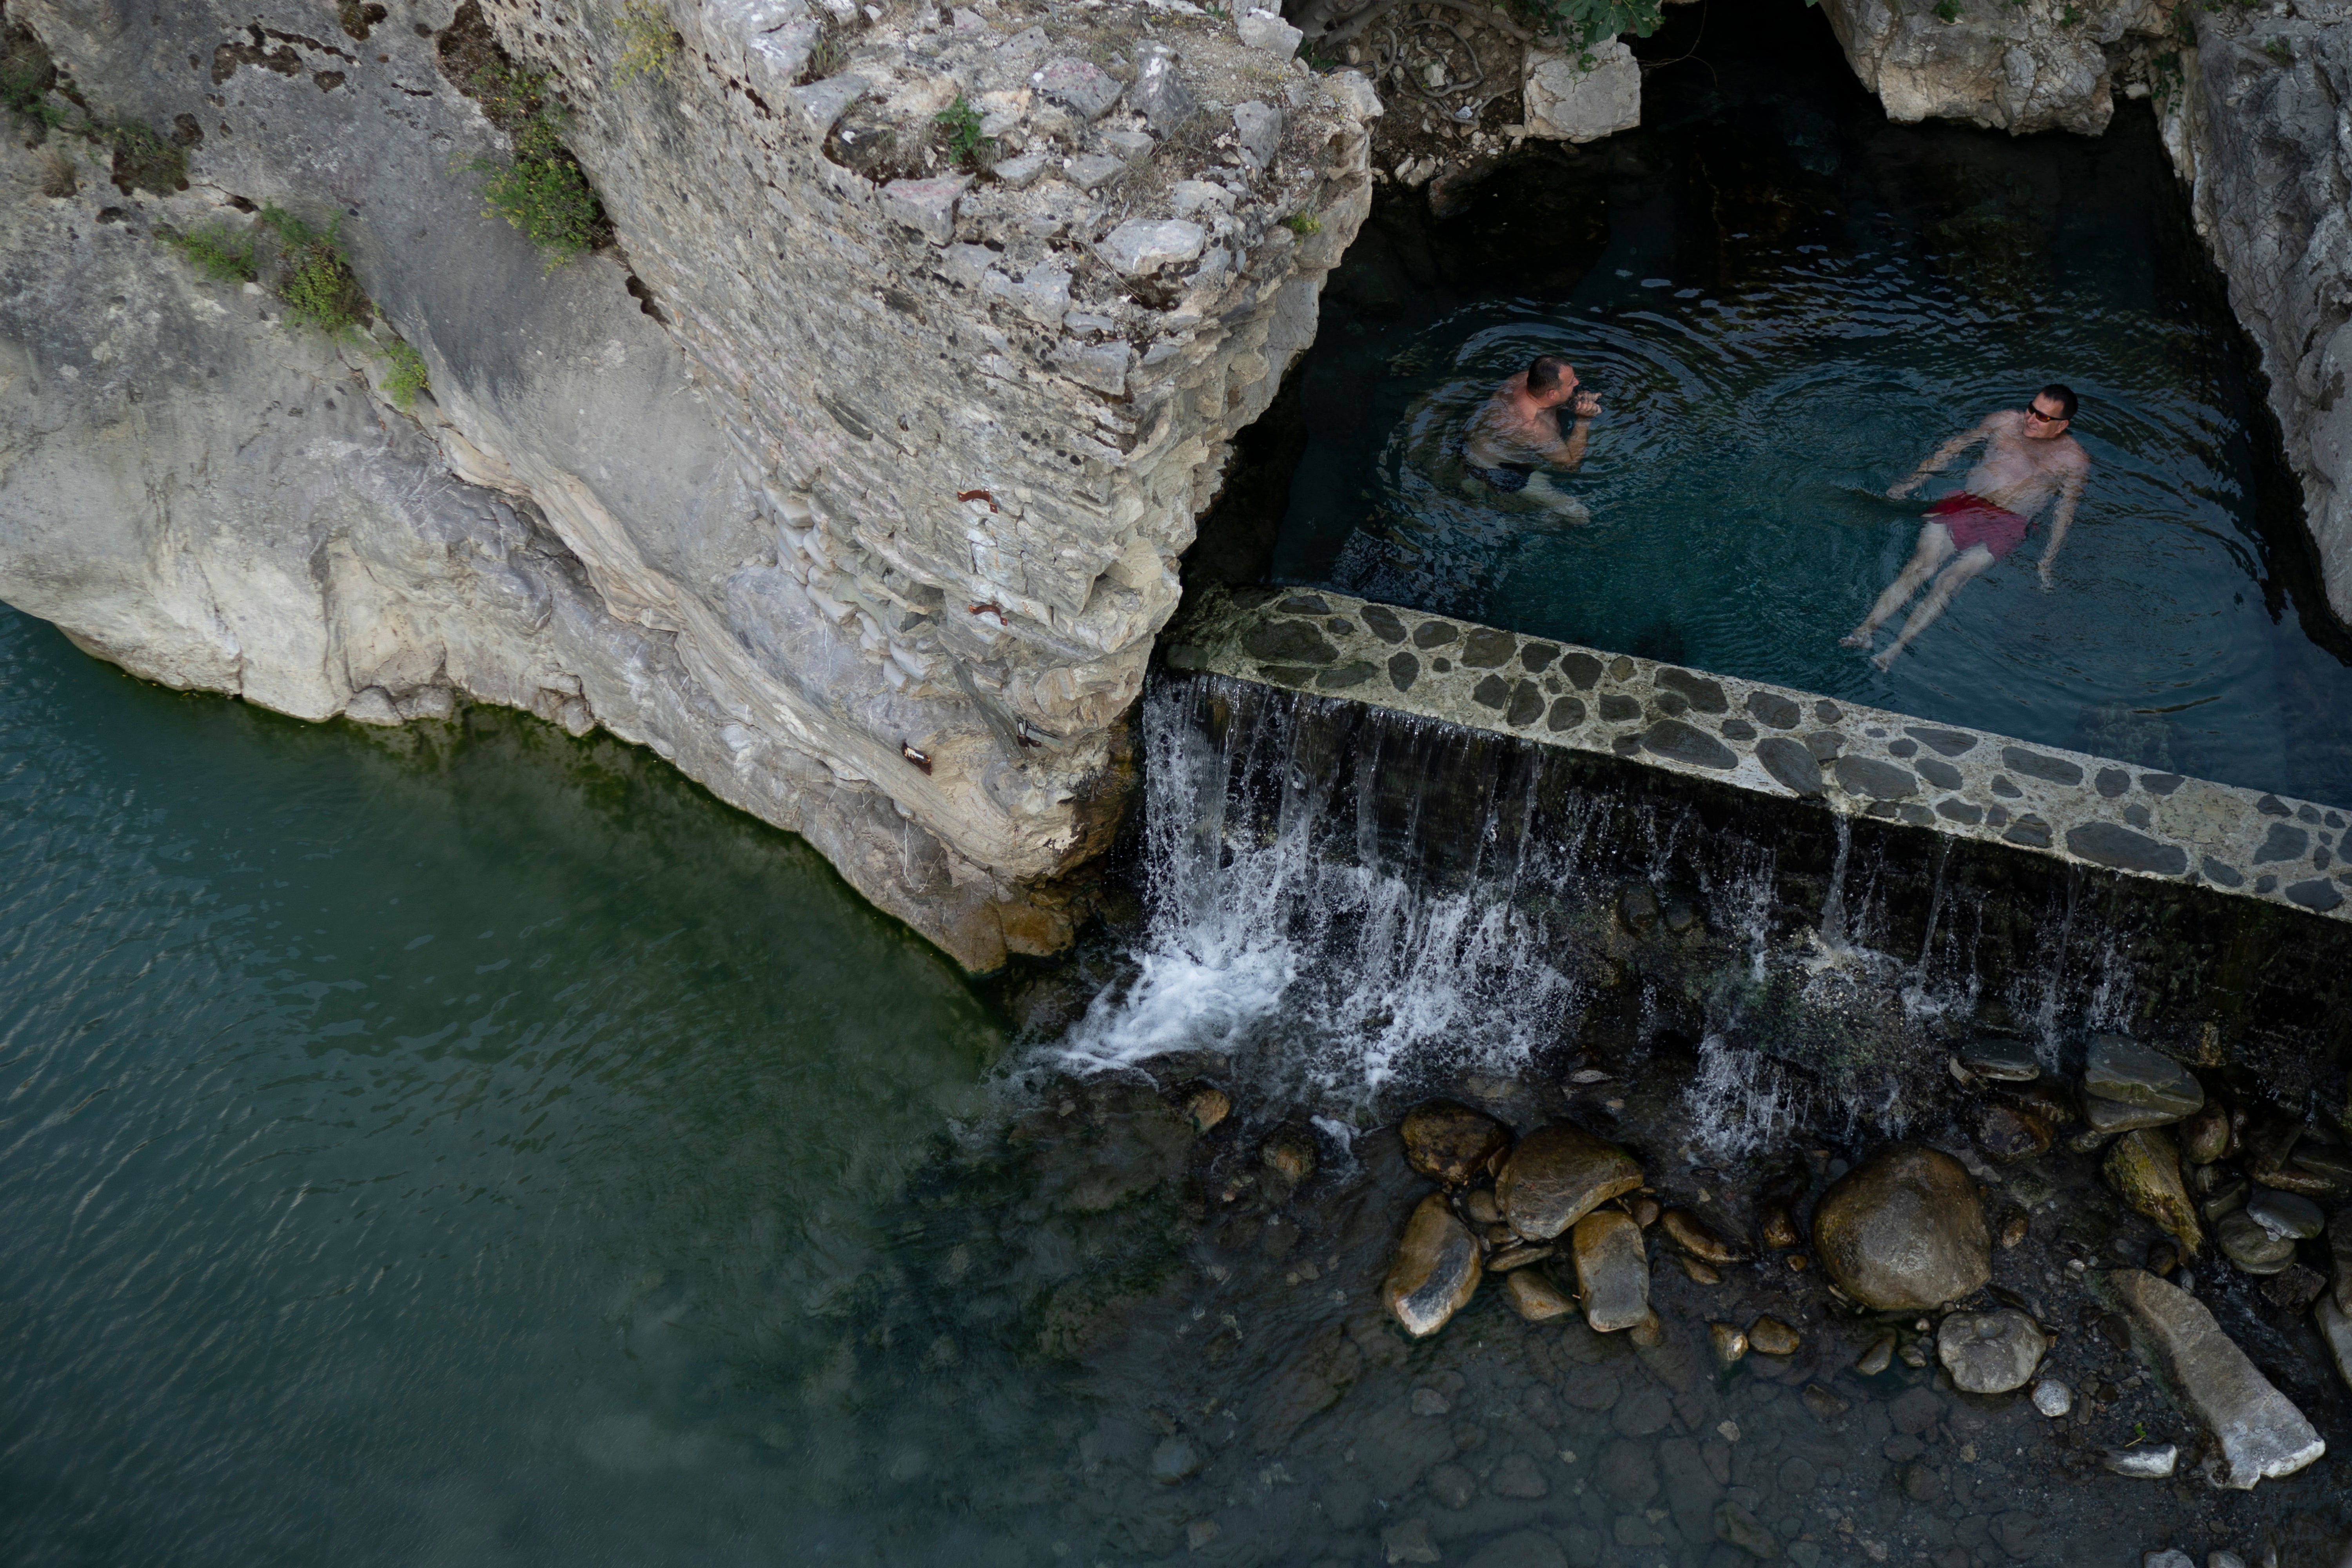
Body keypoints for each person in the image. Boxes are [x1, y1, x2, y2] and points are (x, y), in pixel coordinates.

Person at [1842, 385, 2089, 670]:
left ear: (2063, 425)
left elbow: (2064, 513)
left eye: (2043, 418)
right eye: (2031, 409)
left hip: (2008, 524)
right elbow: (1954, 447)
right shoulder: (2004, 422)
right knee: (1921, 566)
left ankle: (1893, 651)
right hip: (1965, 505)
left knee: (1950, 581)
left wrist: (2047, 560)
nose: (2031, 419)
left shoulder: (2074, 461)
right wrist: (1914, 481)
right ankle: (1864, 631)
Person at [1463, 354, 1602, 520]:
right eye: (1572, 382)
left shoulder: (1522, 379)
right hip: (1498, 471)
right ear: (1552, 394)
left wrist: (1579, 399)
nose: (1577, 382)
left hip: (1478, 445)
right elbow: (1570, 465)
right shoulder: (1533, 427)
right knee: (1580, 515)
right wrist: (1583, 421)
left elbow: (1560, 398)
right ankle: (1530, 520)